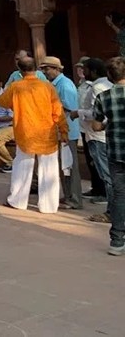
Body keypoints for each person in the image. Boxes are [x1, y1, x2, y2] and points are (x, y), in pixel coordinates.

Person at [0, 56, 67, 214]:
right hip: (46, 133)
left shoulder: (16, 86)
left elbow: (1, 102)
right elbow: (58, 111)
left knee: (22, 167)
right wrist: (64, 130)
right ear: (36, 68)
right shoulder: (47, 86)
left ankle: (17, 201)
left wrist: (15, 103)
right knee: (49, 169)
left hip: (25, 132)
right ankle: (49, 206)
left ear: (19, 70)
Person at [92, 57, 125, 255]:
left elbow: (96, 125)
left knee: (119, 195)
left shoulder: (103, 97)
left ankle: (117, 240)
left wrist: (108, 123)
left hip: (116, 152)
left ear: (110, 76)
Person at [39, 56, 82, 210]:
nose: (45, 72)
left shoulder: (65, 85)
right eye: (43, 69)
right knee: (64, 166)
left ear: (56, 69)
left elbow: (70, 108)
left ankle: (75, 199)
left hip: (68, 131)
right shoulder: (53, 84)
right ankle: (68, 195)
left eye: (47, 69)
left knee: (71, 166)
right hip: (58, 131)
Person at [80, 58, 114, 224]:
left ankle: (112, 212)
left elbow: (97, 114)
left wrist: (79, 112)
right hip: (103, 136)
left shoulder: (98, 87)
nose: (83, 72)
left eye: (85, 69)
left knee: (108, 176)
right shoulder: (106, 85)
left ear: (93, 71)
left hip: (98, 137)